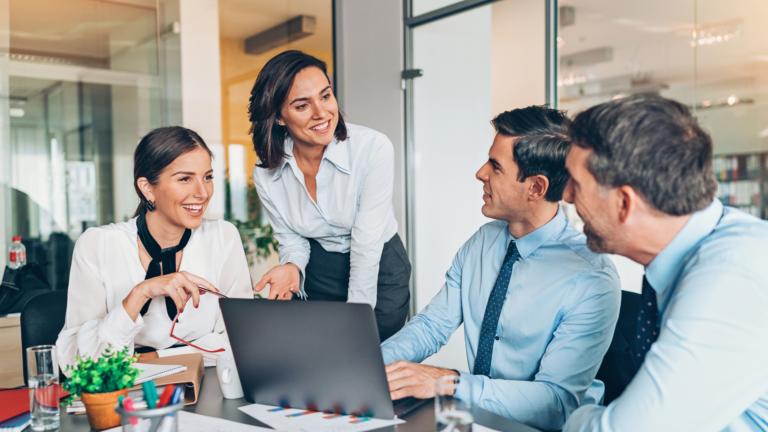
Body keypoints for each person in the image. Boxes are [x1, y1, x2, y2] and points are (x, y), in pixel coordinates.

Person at [381, 106, 621, 432]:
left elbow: (556, 404)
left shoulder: (591, 278)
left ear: (536, 187)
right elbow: (431, 327)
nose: (481, 173)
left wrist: (450, 382)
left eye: (495, 166)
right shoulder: (483, 242)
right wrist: (371, 367)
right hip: (480, 419)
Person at [561, 94, 768, 432]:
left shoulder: (730, 278)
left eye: (576, 184)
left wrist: (577, 414)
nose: (566, 196)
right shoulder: (700, 254)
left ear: (624, 203)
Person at [57, 127, 253, 369]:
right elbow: (77, 362)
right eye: (185, 178)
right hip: (124, 392)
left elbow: (241, 342)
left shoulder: (223, 237)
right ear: (147, 188)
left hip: (207, 385)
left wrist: (152, 359)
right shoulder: (97, 245)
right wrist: (140, 294)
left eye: (208, 177)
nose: (202, 193)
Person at [250, 50, 410, 342]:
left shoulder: (373, 149)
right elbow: (293, 241)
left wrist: (356, 318)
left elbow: (366, 243)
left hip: (380, 266)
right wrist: (291, 266)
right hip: (320, 267)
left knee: (372, 360)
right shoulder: (266, 174)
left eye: (325, 96)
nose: (322, 113)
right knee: (320, 356)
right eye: (302, 105)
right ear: (279, 118)